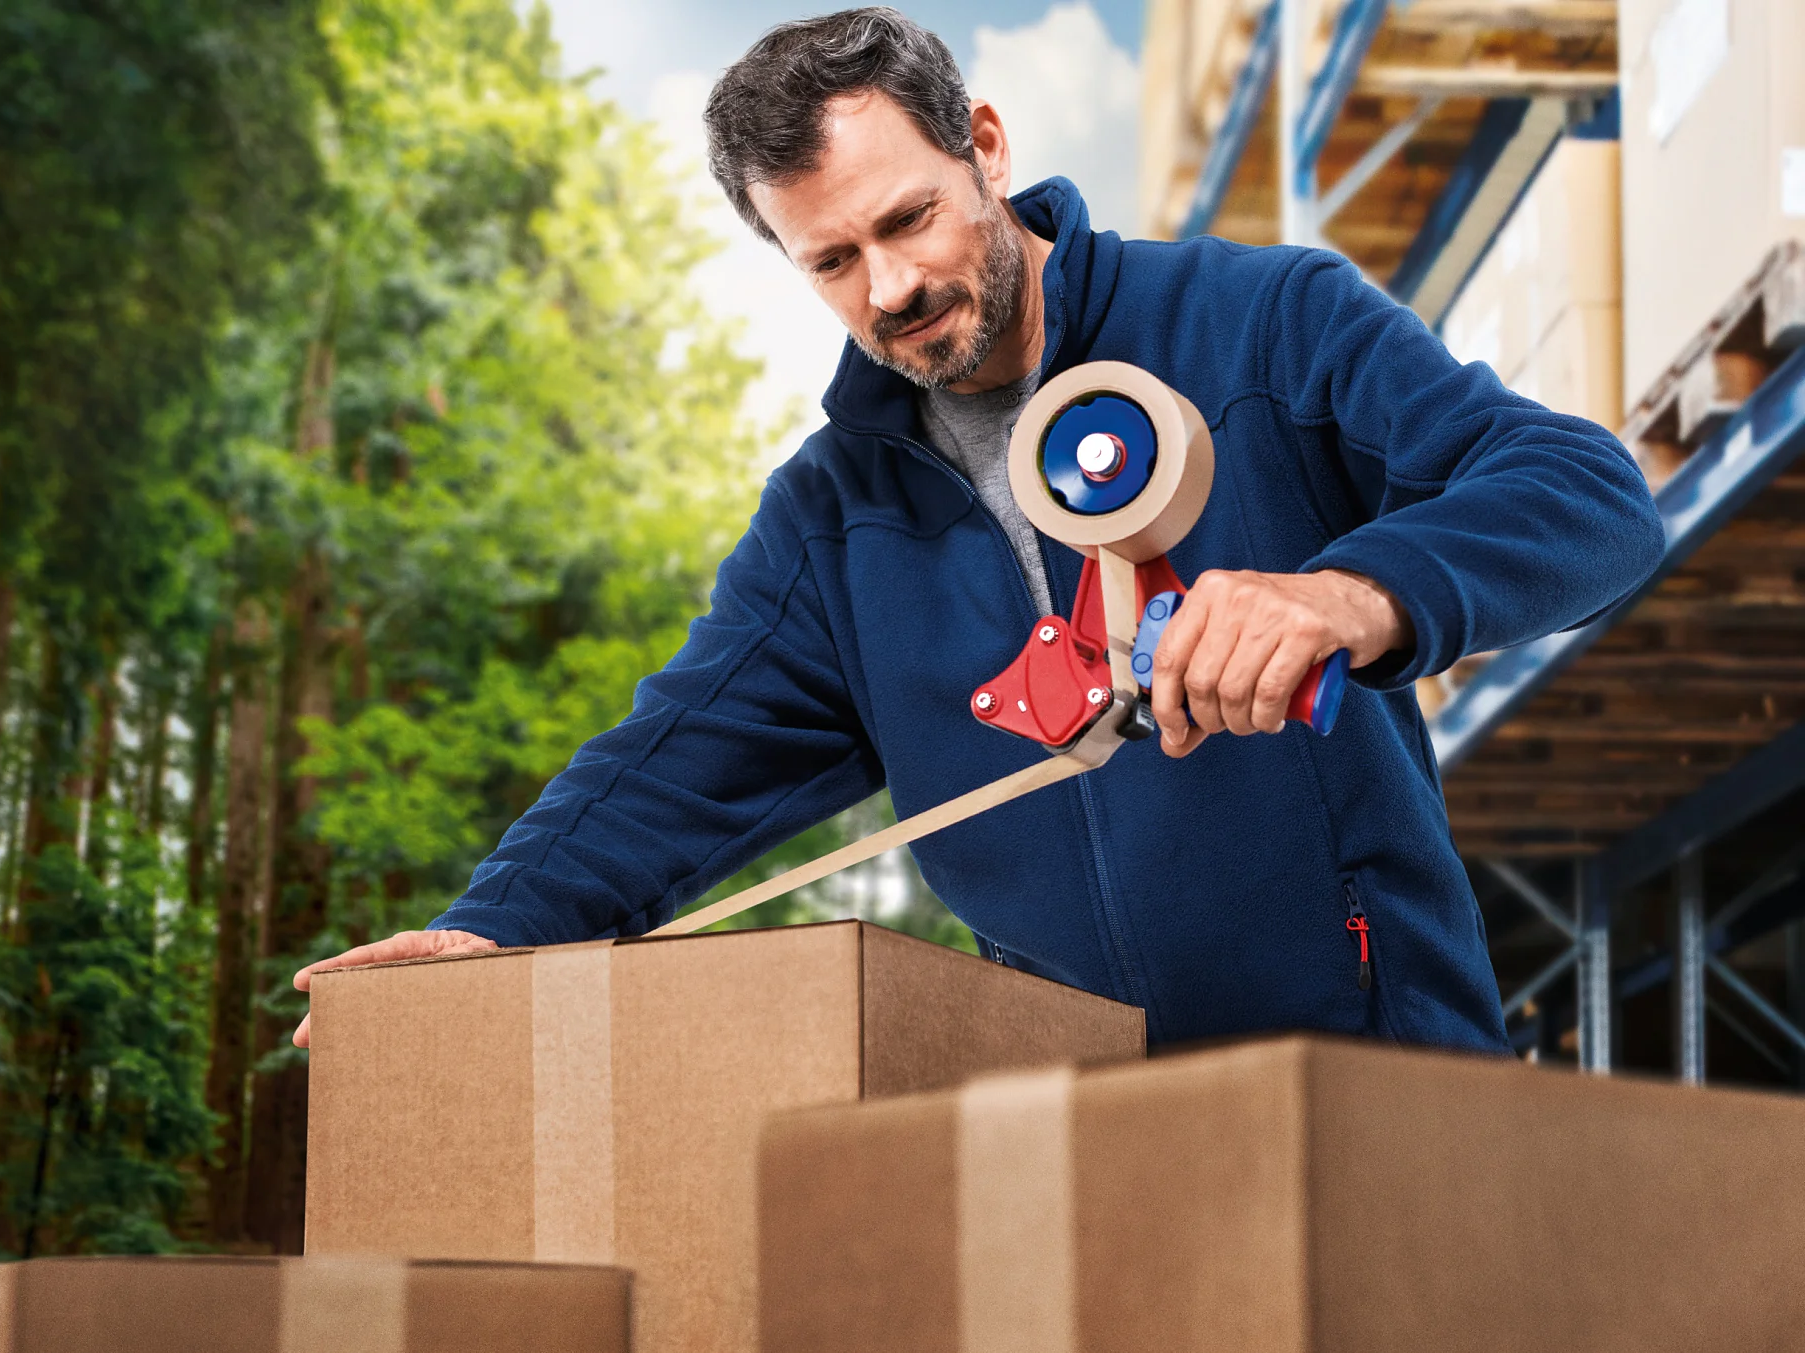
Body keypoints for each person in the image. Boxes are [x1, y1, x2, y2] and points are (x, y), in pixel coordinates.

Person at [292, 7, 1662, 1051]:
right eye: (832, 260)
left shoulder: (1263, 324)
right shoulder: (832, 523)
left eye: (908, 219)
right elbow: (670, 767)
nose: (890, 286)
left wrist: (1350, 597)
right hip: (1072, 1127)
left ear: (986, 150)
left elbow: (1589, 496)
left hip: (1377, 1072)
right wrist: (488, 932)